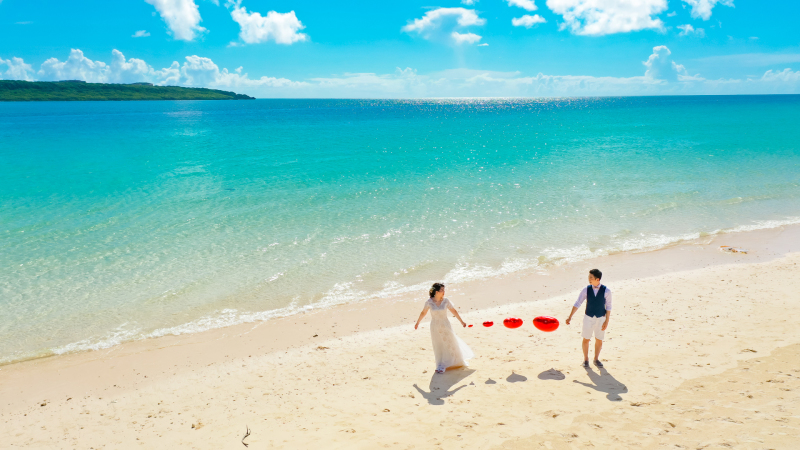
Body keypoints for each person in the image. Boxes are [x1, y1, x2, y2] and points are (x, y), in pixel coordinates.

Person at [414, 283, 474, 374]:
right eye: (442, 290)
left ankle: (455, 361)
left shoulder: (446, 301)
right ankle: (441, 365)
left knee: (451, 342)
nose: (444, 292)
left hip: (445, 325)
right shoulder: (429, 302)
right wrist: (417, 322)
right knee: (439, 345)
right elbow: (423, 313)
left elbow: (454, 311)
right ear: (437, 292)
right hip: (435, 326)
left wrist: (461, 321)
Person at [566, 269, 612, 369]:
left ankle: (596, 359)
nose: (589, 279)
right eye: (589, 277)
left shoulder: (607, 291)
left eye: (591, 278)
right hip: (588, 317)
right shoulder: (586, 289)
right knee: (586, 338)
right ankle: (586, 360)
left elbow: (608, 307)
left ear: (597, 279)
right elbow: (578, 303)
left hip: (601, 318)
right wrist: (570, 316)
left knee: (599, 339)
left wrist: (606, 321)